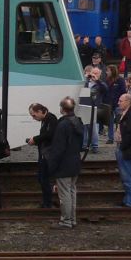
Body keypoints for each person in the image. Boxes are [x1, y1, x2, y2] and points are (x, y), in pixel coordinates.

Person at [46, 97, 84, 229]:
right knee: (72, 191)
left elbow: (58, 148)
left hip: (64, 164)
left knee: (65, 194)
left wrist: (52, 166)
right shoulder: (78, 122)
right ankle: (72, 219)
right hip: (75, 161)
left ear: (62, 109)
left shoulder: (63, 125)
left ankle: (66, 221)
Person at [28, 103, 58, 208]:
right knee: (42, 178)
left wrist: (35, 139)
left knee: (44, 178)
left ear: (40, 111)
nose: (33, 118)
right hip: (44, 153)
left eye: (34, 115)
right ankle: (47, 201)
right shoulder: (46, 119)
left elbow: (50, 135)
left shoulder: (51, 119)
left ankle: (48, 202)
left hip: (47, 154)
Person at [114, 93, 131, 207]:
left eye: (121, 101)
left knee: (128, 175)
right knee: (126, 176)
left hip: (126, 149)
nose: (118, 103)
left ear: (128, 102)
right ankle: (127, 199)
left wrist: (123, 145)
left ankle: (130, 201)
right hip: (123, 147)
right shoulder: (125, 113)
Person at [104, 65, 126, 144]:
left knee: (119, 122)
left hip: (118, 104)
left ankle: (119, 137)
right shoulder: (106, 80)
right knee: (110, 122)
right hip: (109, 105)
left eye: (108, 71)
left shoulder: (120, 80)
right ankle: (110, 138)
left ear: (112, 71)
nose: (106, 72)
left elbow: (123, 91)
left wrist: (121, 102)